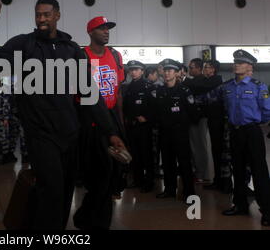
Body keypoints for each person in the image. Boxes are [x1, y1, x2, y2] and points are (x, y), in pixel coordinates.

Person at [0, 0, 125, 230]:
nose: (42, 19)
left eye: (46, 14)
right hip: (41, 135)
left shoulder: (71, 49)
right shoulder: (23, 45)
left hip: (70, 134)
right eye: (38, 15)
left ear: (57, 15)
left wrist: (111, 131)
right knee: (52, 191)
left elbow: (89, 93)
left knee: (65, 192)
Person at [73, 16, 127, 230]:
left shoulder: (115, 55)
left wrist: (120, 124)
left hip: (112, 120)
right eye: (101, 28)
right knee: (100, 176)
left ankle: (88, 218)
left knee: (111, 175)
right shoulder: (82, 56)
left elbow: (118, 91)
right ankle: (91, 219)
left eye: (108, 28)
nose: (106, 31)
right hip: (91, 122)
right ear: (90, 32)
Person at [221, 50, 270, 227]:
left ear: (250, 66)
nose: (236, 64)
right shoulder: (228, 87)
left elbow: (266, 112)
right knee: (238, 171)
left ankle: (267, 211)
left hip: (252, 132)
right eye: (235, 61)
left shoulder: (259, 86)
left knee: (259, 172)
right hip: (236, 132)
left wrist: (254, 123)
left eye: (240, 62)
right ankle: (240, 205)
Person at [153, 59, 198, 203]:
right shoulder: (160, 91)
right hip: (164, 132)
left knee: (184, 163)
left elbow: (192, 111)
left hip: (180, 132)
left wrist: (184, 124)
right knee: (167, 162)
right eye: (165, 70)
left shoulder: (184, 90)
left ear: (177, 73)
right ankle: (169, 190)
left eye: (170, 70)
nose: (167, 73)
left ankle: (189, 192)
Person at [123, 60, 155, 193]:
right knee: (135, 154)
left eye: (136, 69)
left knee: (146, 155)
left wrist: (146, 117)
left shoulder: (149, 86)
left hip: (144, 126)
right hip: (132, 125)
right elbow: (126, 106)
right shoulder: (128, 87)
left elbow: (155, 106)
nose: (133, 72)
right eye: (131, 70)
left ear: (142, 71)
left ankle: (149, 182)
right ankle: (138, 180)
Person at [183, 58, 212, 184]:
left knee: (200, 146)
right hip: (191, 118)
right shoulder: (192, 81)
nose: (190, 70)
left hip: (200, 118)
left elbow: (197, 88)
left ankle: (202, 173)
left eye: (192, 67)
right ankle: (198, 171)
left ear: (199, 69)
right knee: (194, 147)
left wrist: (184, 79)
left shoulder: (202, 81)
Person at [202, 60, 229, 191]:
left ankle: (224, 183)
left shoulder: (216, 81)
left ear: (213, 69)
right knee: (216, 151)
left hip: (219, 121)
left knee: (220, 152)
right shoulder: (211, 81)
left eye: (206, 67)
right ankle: (218, 180)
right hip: (213, 120)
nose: (204, 70)